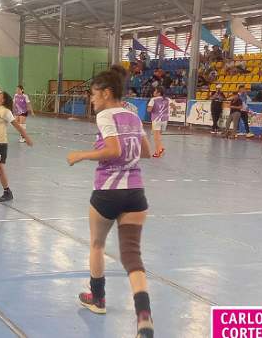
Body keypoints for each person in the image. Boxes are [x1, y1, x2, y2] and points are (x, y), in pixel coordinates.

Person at [66, 68, 154, 338]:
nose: (91, 99)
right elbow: (146, 152)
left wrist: (82, 154)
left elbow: (114, 150)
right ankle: (144, 317)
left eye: (94, 94)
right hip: (135, 192)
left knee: (97, 244)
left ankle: (98, 299)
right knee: (132, 256)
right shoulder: (133, 115)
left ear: (106, 93)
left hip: (108, 191)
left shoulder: (105, 115)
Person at [147, 87, 168, 158]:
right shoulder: (167, 99)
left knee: (156, 137)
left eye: (155, 91)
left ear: (158, 93)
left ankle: (157, 152)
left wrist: (149, 107)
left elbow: (149, 110)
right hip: (164, 120)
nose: (153, 92)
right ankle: (161, 148)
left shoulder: (153, 99)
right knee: (159, 136)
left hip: (156, 119)